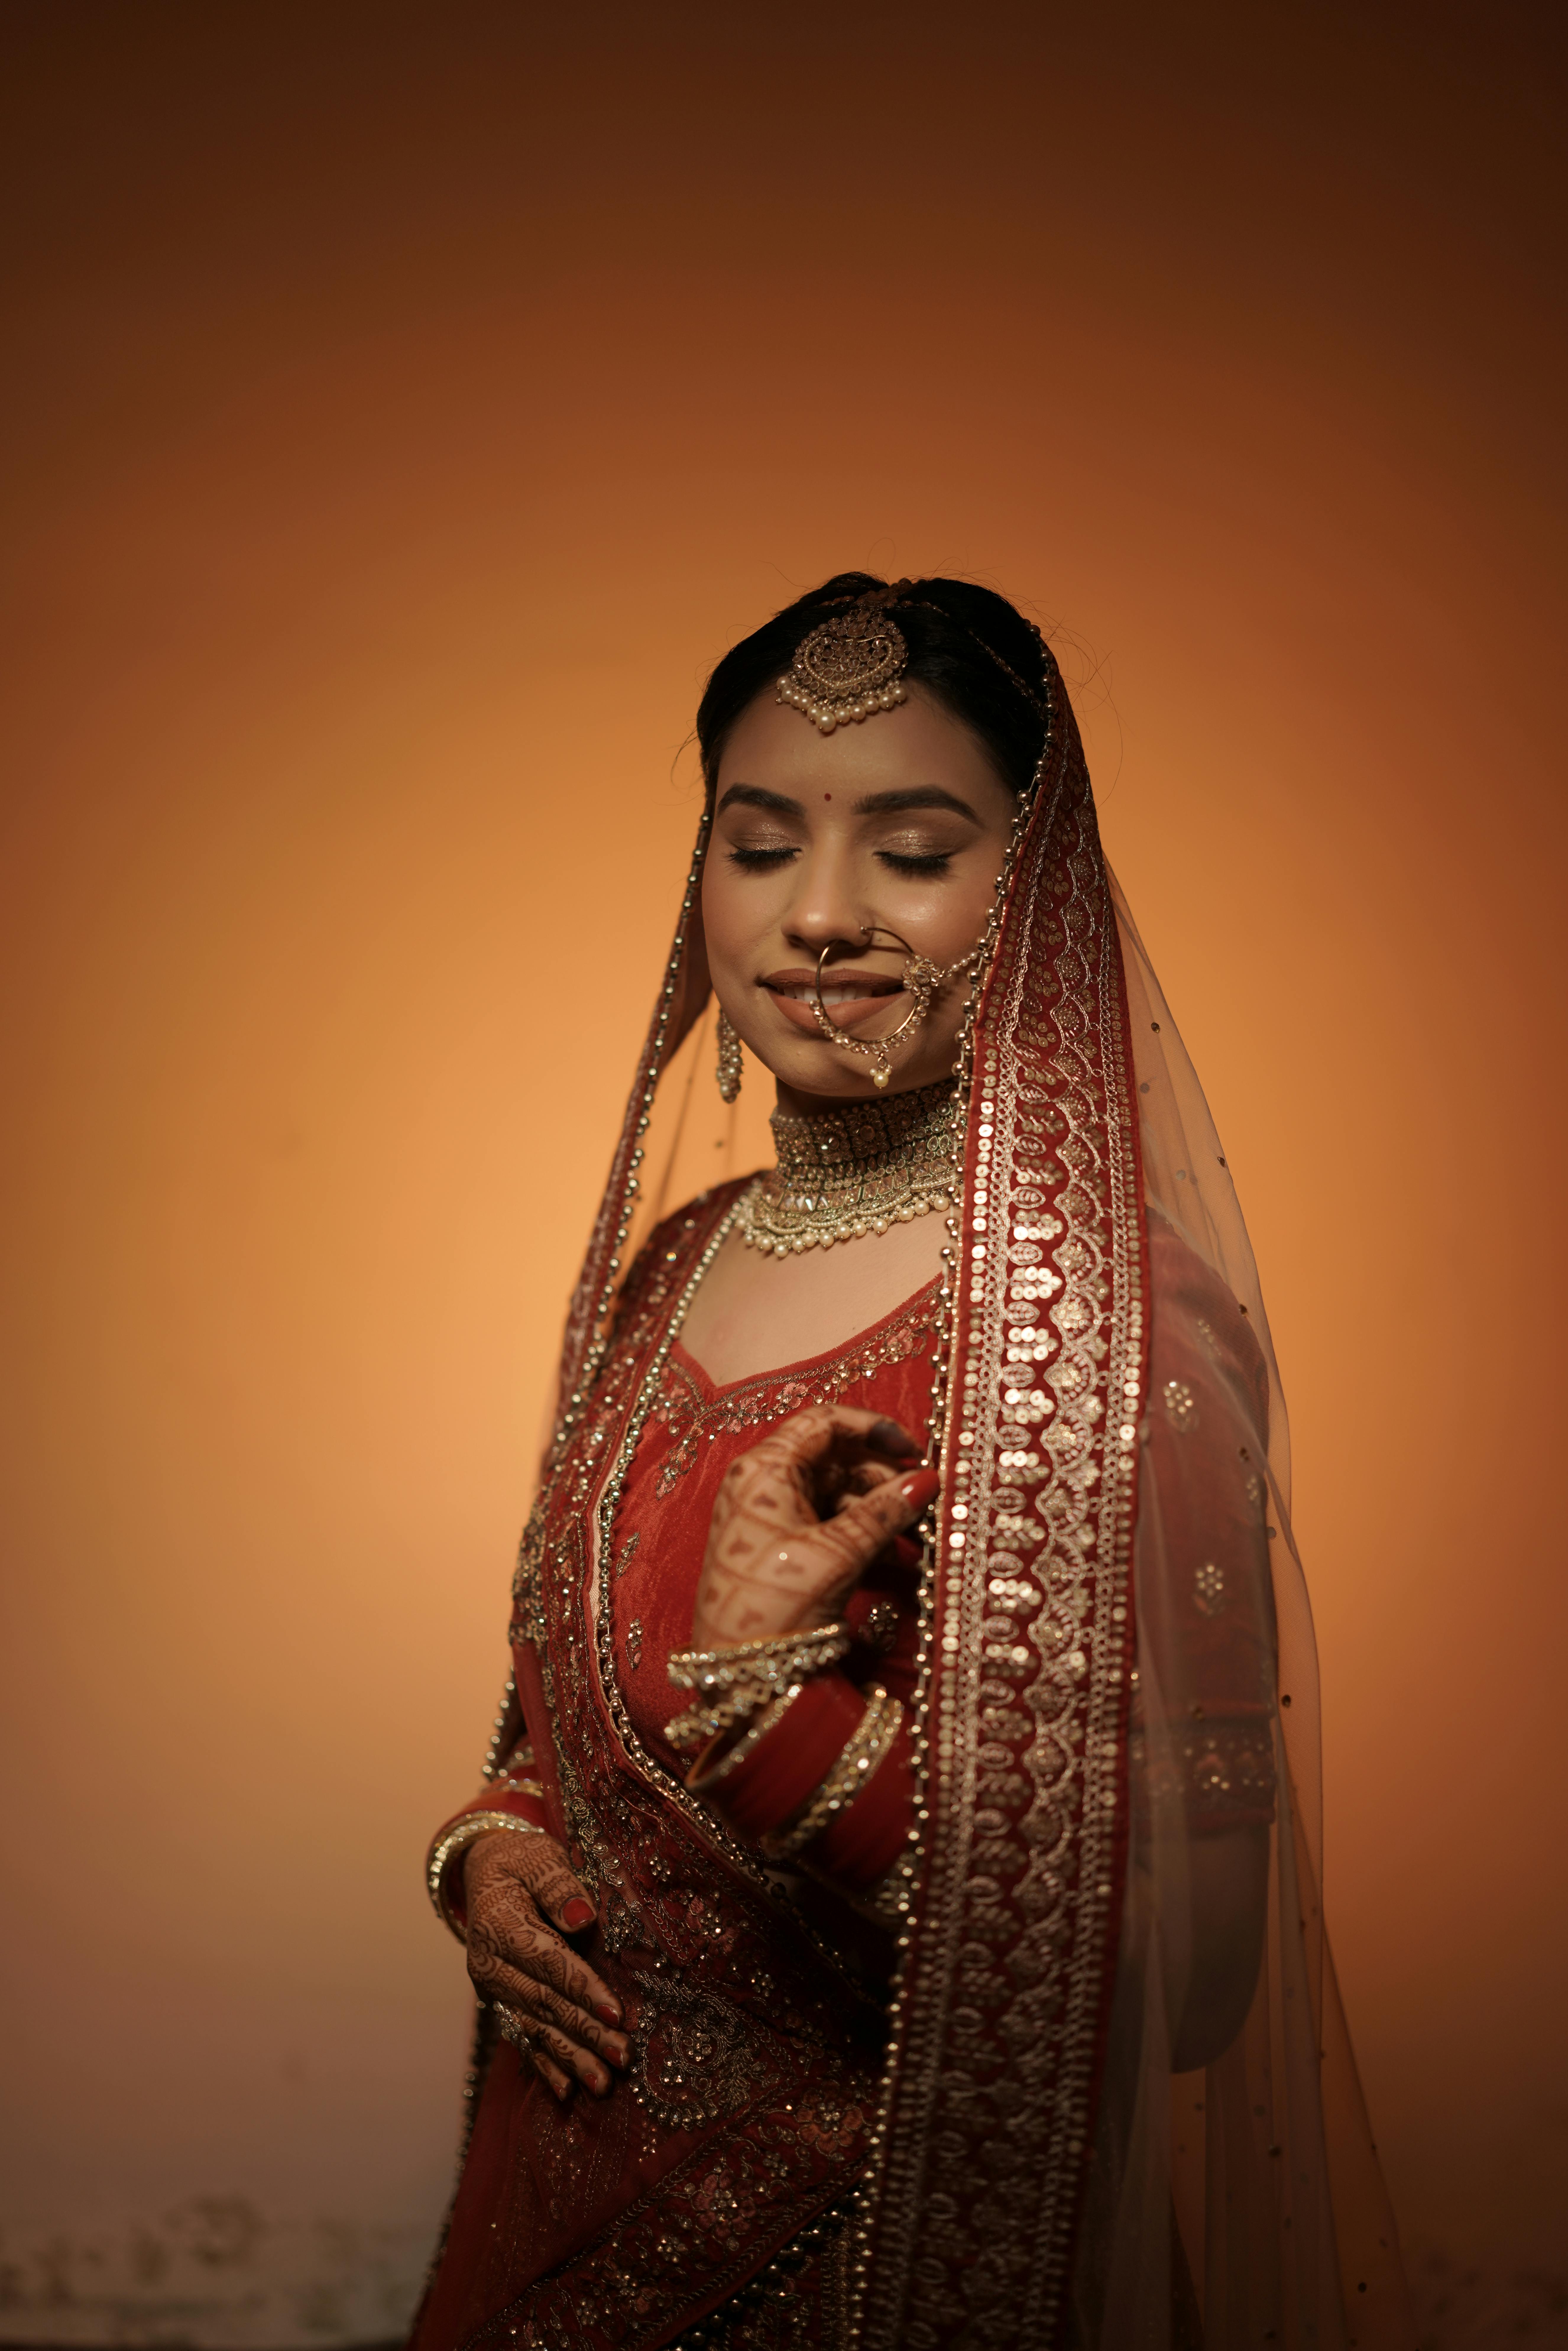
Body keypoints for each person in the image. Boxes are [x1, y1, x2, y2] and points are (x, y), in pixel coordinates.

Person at [410, 577, 1410, 2351]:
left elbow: (1188, 1978)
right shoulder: (675, 1264)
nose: (816, 917)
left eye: (913, 848)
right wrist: (487, 1859)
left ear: (1034, 897)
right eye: (758, 842)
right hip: (549, 2223)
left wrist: (773, 1718)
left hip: (882, 2274)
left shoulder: (1113, 1335)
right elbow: (553, 1730)